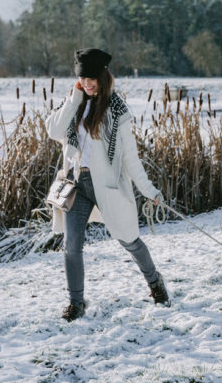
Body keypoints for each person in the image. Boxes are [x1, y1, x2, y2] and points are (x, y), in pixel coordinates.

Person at [46, 48, 170, 322]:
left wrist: (150, 191)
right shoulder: (75, 102)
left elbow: (130, 159)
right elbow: (54, 131)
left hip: (108, 187)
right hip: (77, 184)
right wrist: (75, 97)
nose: (88, 84)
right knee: (72, 245)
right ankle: (76, 302)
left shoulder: (117, 110)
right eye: (82, 79)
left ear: (104, 76)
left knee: (129, 239)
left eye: (92, 79)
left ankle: (155, 283)